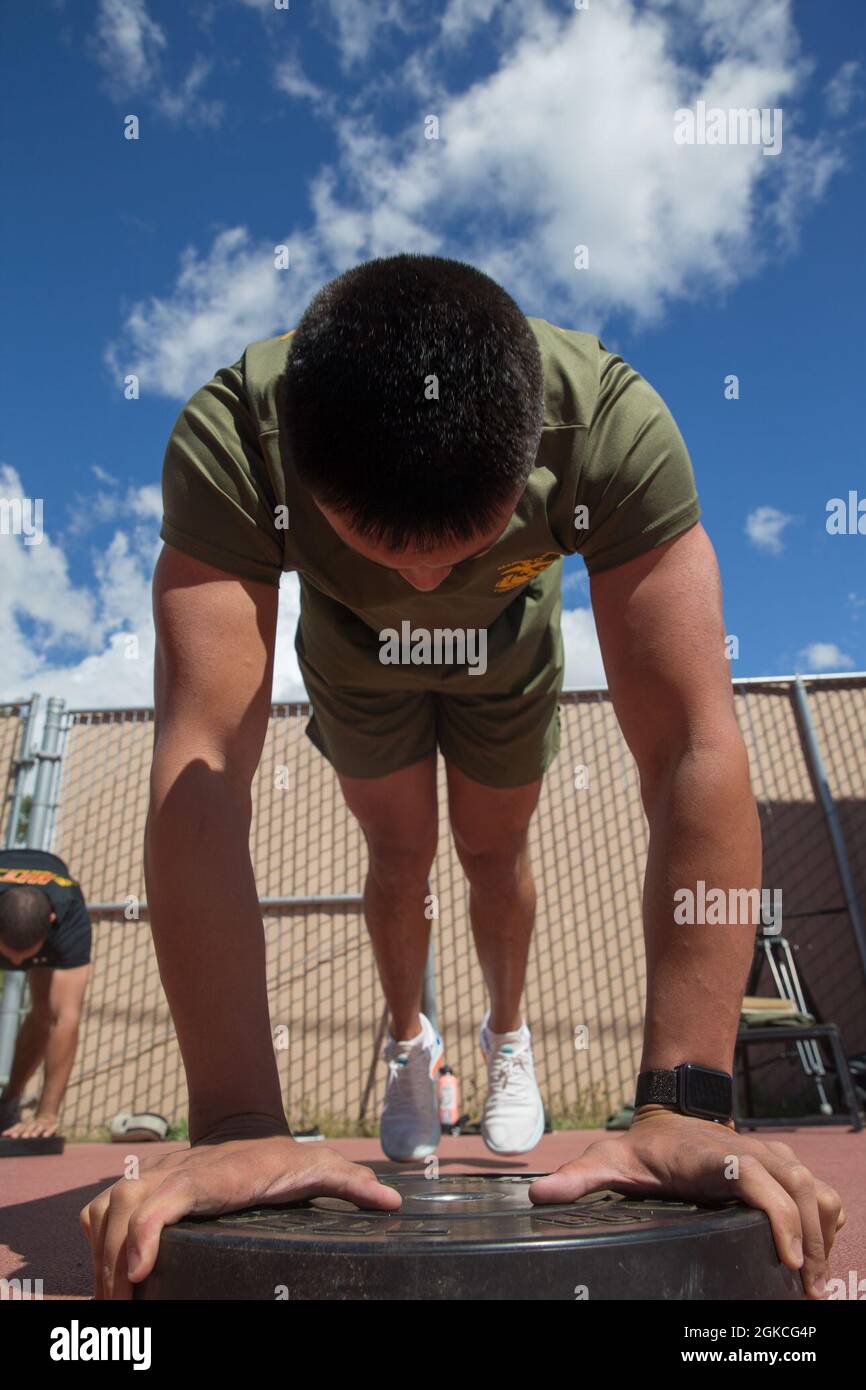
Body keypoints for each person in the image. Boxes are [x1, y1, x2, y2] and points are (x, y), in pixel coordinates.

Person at [81, 254, 843, 1299]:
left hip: (505, 659)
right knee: (399, 851)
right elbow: (200, 767)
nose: (425, 581)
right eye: (385, 550)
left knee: (491, 851)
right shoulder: (231, 441)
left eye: (456, 549)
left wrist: (688, 1103)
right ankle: (409, 1043)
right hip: (354, 661)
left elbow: (688, 746)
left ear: (532, 457)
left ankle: (507, 1035)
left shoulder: (611, 428)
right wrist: (234, 1125)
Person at [0, 849, 91, 1138]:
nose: (16, 964)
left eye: (24, 956)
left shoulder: (69, 915)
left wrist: (48, 1114)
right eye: (10, 955)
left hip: (53, 912)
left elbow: (65, 1019)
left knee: (48, 1013)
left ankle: (10, 1104)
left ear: (52, 921)